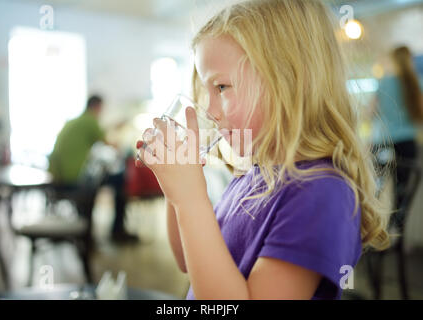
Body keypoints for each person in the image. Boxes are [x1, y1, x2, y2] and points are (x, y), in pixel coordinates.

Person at [136, 0, 391, 300]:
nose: (209, 110)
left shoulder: (320, 193)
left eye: (221, 87)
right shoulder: (251, 175)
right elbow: (186, 261)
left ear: (288, 80)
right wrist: (177, 192)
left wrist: (192, 199)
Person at [49, 95, 137, 242]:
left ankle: (90, 232)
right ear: (97, 107)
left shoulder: (75, 121)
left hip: (59, 176)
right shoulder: (90, 120)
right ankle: (117, 231)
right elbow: (108, 142)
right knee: (120, 179)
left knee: (104, 178)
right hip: (76, 178)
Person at [371, 46, 423, 227]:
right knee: (403, 193)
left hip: (382, 144)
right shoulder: (416, 83)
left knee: (378, 191)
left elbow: (370, 112)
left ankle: (378, 231)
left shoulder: (383, 82)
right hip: (406, 144)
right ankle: (396, 231)